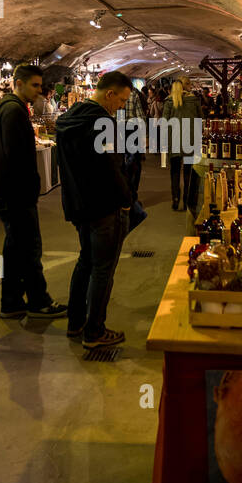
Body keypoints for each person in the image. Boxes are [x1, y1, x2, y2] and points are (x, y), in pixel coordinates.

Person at [55, 71, 135, 349]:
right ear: (109, 94)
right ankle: (95, 330)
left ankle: (76, 322)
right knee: (103, 269)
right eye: (122, 100)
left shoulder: (67, 120)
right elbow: (112, 169)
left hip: (79, 205)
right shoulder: (104, 123)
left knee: (85, 262)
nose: (122, 106)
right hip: (104, 207)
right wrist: (127, 199)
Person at [0, 65, 67, 321]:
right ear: (18, 83)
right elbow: (17, 157)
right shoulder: (13, 112)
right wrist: (29, 188)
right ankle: (38, 300)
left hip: (9, 191)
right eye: (34, 85)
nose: (38, 90)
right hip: (15, 193)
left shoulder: (11, 109)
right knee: (29, 248)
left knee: (15, 248)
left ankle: (11, 302)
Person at [162, 78, 203, 212]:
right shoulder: (194, 101)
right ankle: (186, 201)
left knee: (174, 172)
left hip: (173, 141)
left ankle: (175, 199)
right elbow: (200, 120)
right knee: (188, 172)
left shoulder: (169, 102)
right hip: (190, 141)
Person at [118, 81, 148, 203]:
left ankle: (123, 191)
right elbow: (140, 116)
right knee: (135, 161)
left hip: (117, 129)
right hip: (132, 129)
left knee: (120, 161)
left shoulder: (115, 94)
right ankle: (132, 192)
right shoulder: (134, 94)